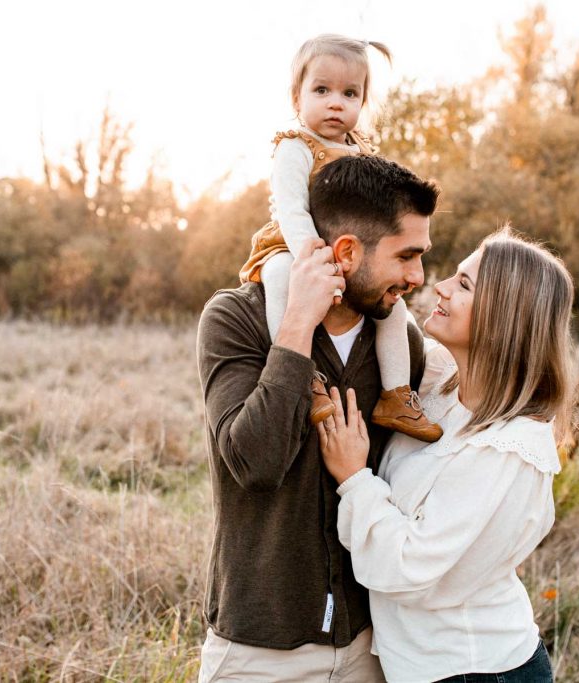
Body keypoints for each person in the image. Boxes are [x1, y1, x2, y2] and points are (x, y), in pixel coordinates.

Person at [196, 154, 440, 682]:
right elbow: (254, 462)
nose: (418, 276)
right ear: (347, 252)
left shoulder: (402, 347)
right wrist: (299, 322)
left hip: (371, 645)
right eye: (407, 256)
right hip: (259, 650)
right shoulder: (235, 319)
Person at [318, 228, 573, 683]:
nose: (440, 286)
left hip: (474, 670)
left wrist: (354, 478)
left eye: (464, 284)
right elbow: (387, 319)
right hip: (423, 667)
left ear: (504, 317)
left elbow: (412, 567)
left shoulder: (509, 448)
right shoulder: (440, 382)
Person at [239, 33, 442, 443]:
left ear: (362, 102)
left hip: (349, 253)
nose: (336, 102)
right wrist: (311, 257)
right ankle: (304, 377)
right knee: (280, 279)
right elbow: (292, 208)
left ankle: (396, 394)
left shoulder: (363, 152)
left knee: (393, 310)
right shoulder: (295, 147)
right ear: (297, 98)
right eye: (322, 90)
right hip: (293, 245)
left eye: (350, 93)